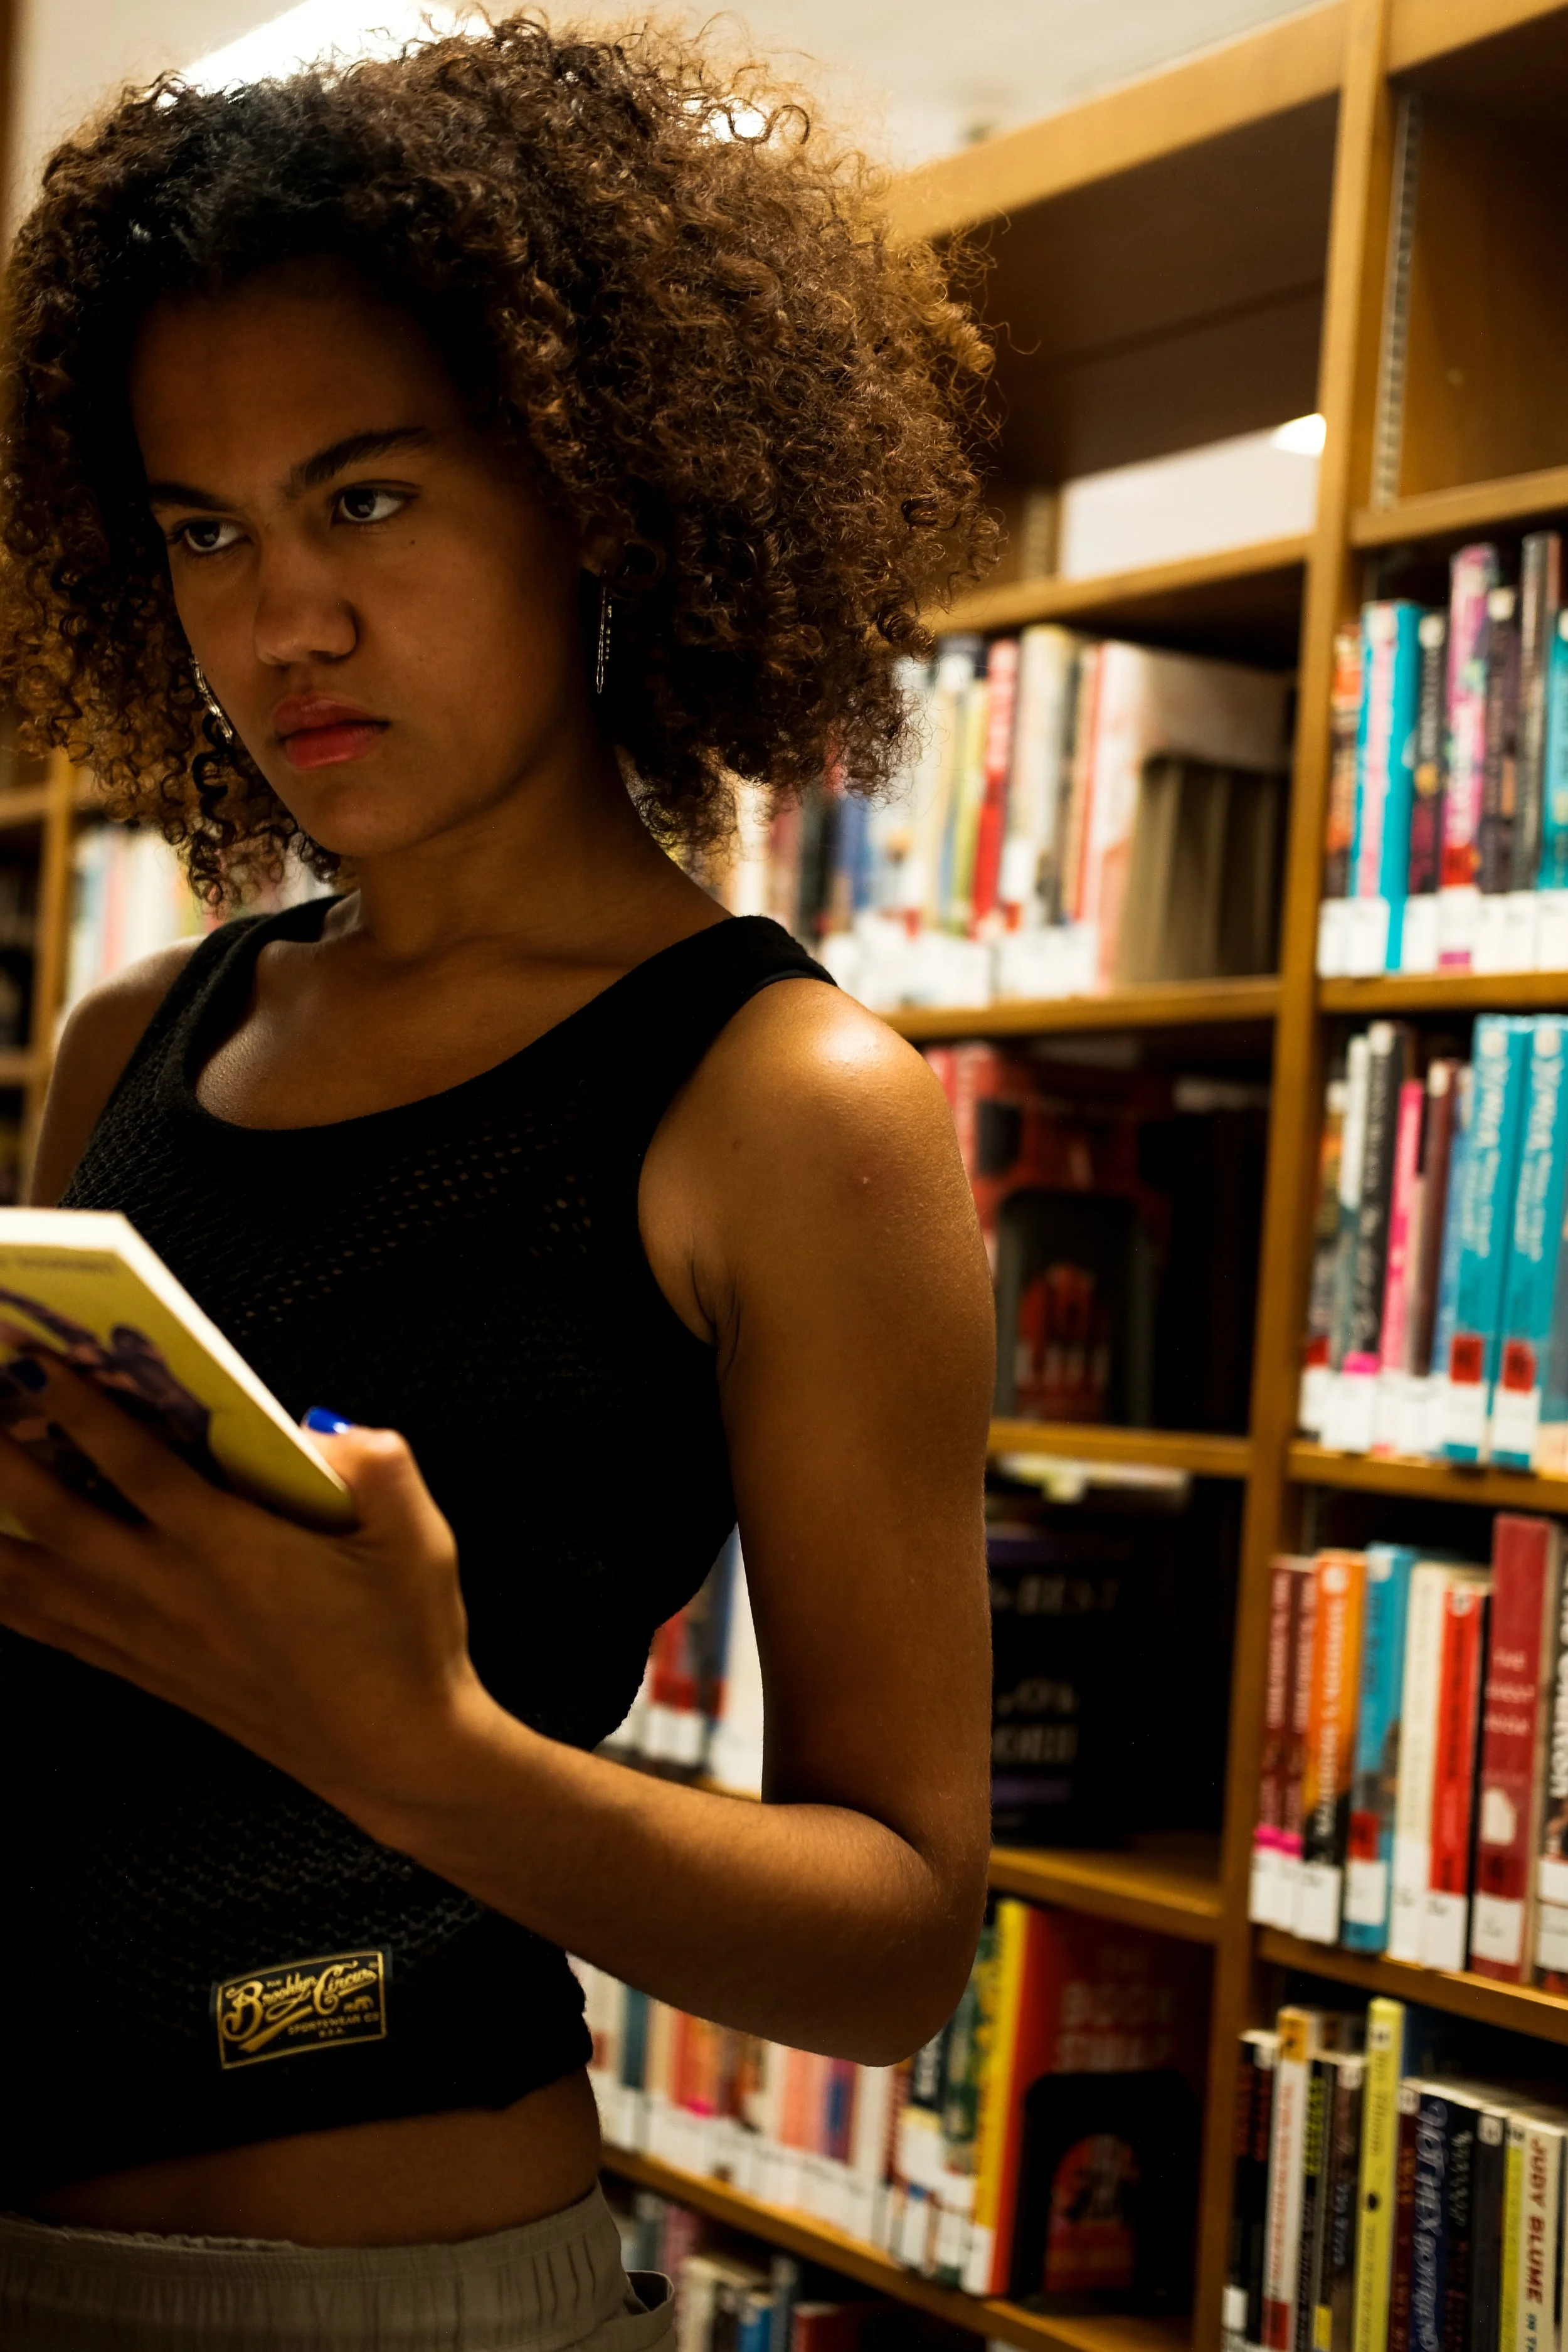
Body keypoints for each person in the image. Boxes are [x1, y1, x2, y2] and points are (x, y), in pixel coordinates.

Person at [0, 18, 997, 2349]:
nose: (281, 626)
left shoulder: (784, 1102)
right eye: (205, 532)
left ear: (594, 487)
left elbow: (895, 1936)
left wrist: (414, 1753)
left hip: (378, 2296)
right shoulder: (133, 1041)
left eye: (366, 498)